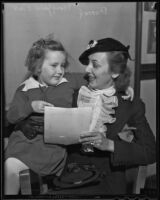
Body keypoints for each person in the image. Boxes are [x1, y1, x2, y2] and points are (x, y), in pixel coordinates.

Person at [52, 38, 156, 195]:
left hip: (106, 183)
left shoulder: (130, 105)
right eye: (88, 63)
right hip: (70, 180)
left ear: (115, 72)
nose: (87, 69)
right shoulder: (74, 95)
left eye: (95, 64)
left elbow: (150, 152)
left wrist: (109, 145)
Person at [4, 35, 86, 195]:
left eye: (63, 65)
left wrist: (121, 87)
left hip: (51, 146)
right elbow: (11, 117)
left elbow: (94, 78)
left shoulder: (68, 80)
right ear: (38, 66)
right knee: (10, 167)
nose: (60, 71)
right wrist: (30, 106)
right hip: (24, 143)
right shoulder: (25, 88)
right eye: (54, 65)